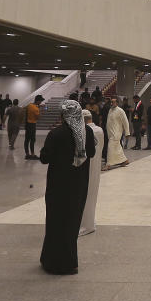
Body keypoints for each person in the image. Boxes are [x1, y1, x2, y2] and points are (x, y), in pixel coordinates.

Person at [39, 99, 95, 275]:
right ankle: (71, 263)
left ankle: (53, 261)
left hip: (58, 186)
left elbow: (44, 158)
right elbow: (92, 153)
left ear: (63, 115)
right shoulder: (86, 132)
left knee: (56, 223)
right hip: (79, 186)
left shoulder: (57, 134)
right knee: (72, 224)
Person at [79, 109, 104, 236]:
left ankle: (86, 225)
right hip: (96, 167)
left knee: (85, 195)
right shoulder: (100, 130)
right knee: (92, 195)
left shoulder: (85, 132)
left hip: (86, 168)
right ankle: (89, 222)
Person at [103, 97, 130, 171]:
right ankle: (124, 161)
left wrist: (127, 133)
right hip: (110, 133)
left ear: (117, 103)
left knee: (110, 147)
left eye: (113, 102)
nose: (112, 103)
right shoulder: (110, 110)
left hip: (116, 133)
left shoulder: (120, 111)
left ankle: (108, 164)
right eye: (111, 102)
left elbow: (125, 122)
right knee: (117, 148)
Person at [24, 95, 44, 159]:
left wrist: (38, 107)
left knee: (27, 140)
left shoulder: (29, 105)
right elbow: (38, 117)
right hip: (32, 125)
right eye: (40, 101)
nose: (41, 102)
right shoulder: (36, 109)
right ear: (38, 101)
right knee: (32, 140)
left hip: (27, 124)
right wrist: (40, 110)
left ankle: (27, 154)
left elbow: (27, 110)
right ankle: (32, 155)